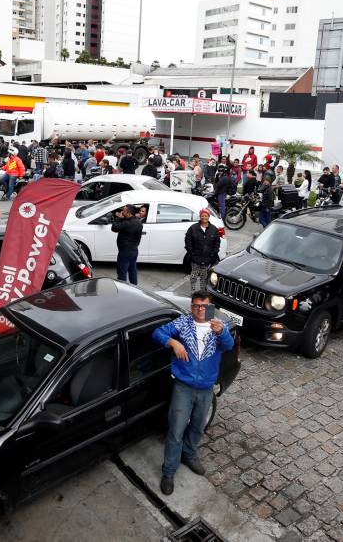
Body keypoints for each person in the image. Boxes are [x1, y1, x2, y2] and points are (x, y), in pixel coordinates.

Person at [151, 290, 234, 496]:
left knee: (198, 427)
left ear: (210, 308)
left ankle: (189, 454)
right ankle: (169, 472)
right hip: (184, 387)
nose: (199, 310)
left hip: (206, 388)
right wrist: (173, 342)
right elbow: (157, 333)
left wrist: (222, 332)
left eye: (204, 306)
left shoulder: (217, 326)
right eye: (196, 306)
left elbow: (229, 346)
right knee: (176, 430)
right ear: (191, 306)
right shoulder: (182, 323)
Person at [185, 209, 221, 292]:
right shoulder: (193, 228)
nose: (204, 217)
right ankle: (193, 291)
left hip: (207, 259)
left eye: (206, 216)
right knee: (193, 276)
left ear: (208, 217)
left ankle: (202, 293)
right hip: (195, 258)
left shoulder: (213, 229)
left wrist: (213, 254)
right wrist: (191, 253)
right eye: (202, 216)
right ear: (200, 216)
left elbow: (217, 242)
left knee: (204, 277)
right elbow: (188, 240)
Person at [111, 204, 143, 285]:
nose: (122, 212)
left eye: (124, 211)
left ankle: (123, 291)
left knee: (121, 274)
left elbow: (114, 228)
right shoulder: (138, 223)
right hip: (134, 250)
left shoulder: (127, 223)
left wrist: (119, 217)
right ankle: (135, 288)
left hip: (125, 252)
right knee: (132, 271)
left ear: (128, 213)